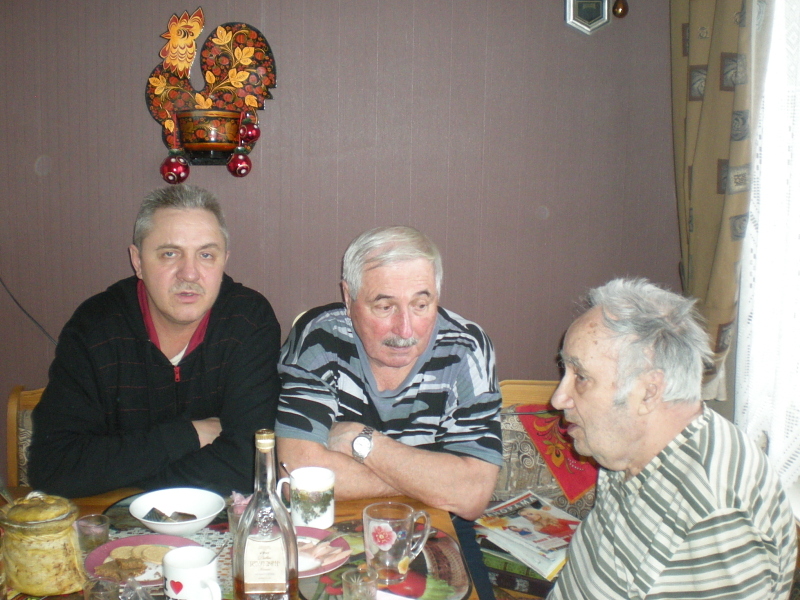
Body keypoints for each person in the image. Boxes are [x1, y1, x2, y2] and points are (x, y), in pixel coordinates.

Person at [547, 278, 797, 600]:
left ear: (649, 393)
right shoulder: (628, 446)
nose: (558, 399)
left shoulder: (713, 521)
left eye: (580, 377)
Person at [29, 184, 281, 498]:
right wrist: (188, 435)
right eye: (169, 254)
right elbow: (52, 467)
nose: (189, 273)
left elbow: (250, 464)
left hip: (217, 520)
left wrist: (124, 473)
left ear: (224, 261)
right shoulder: (96, 327)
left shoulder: (248, 320)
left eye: (206, 255)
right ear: (137, 261)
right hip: (113, 522)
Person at [275, 226, 502, 521]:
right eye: (385, 307)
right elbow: (297, 476)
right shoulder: (320, 338)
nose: (405, 330)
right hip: (336, 522)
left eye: (421, 305)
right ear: (348, 297)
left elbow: (472, 495)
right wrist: (433, 484)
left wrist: (361, 441)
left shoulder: (466, 348)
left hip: (437, 527)